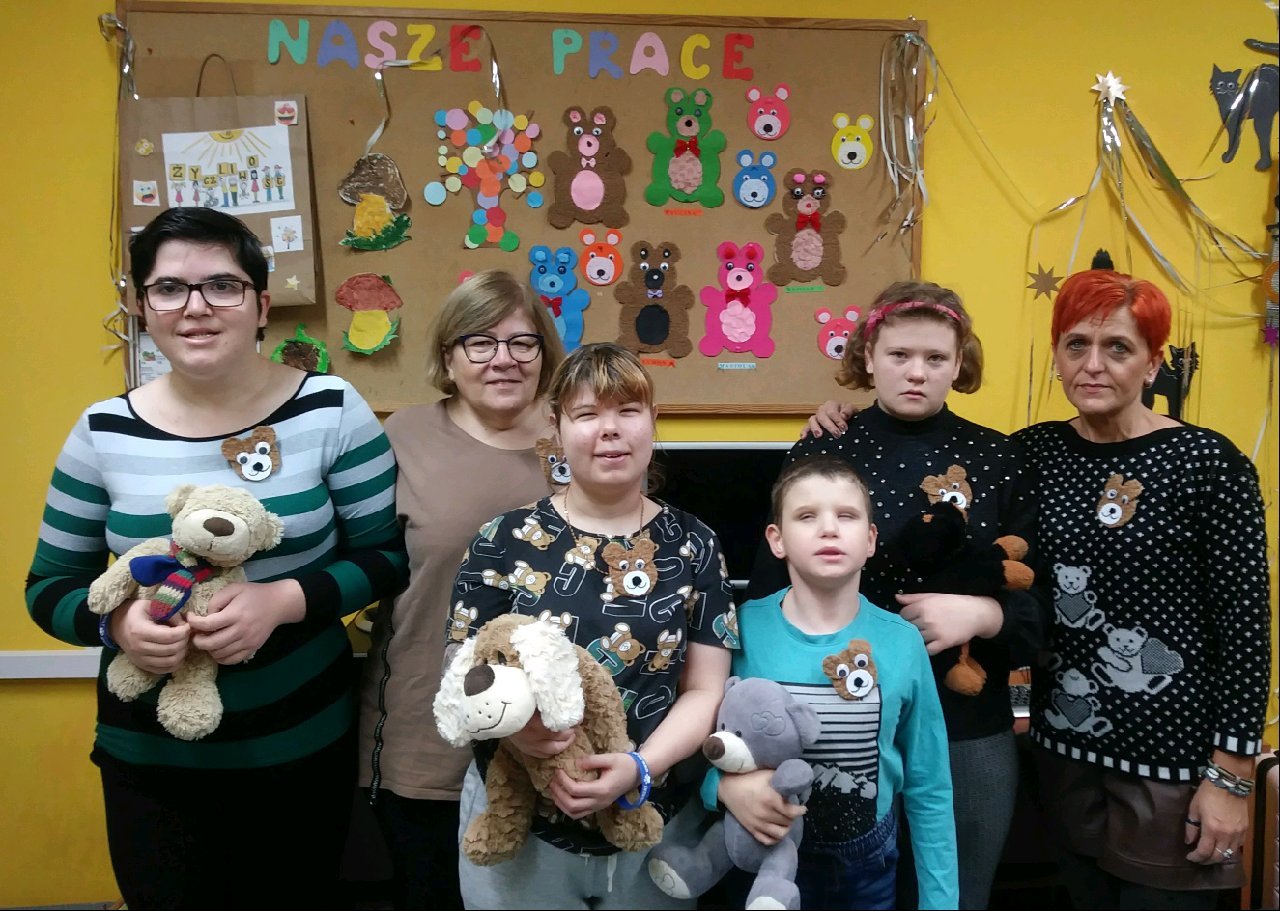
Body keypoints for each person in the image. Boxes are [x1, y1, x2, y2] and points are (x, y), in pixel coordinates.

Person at [25, 207, 408, 910]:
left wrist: (284, 600)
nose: (196, 307)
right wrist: (117, 626)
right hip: (150, 760)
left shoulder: (331, 409)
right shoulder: (101, 430)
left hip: (302, 746)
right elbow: (48, 587)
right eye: (170, 288)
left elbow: (387, 557)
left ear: (261, 304)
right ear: (142, 307)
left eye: (222, 285)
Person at [754, 280, 1048, 909]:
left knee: (955, 893)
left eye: (936, 358)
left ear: (960, 362)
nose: (917, 372)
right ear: (867, 356)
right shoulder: (828, 445)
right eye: (899, 355)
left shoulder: (998, 458)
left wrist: (985, 613)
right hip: (835, 722)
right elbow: (769, 592)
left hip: (968, 728)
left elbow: (1041, 613)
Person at [1011, 259, 1271, 909]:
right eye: (1077, 344)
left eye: (1118, 347)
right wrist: (842, 423)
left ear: (1153, 364)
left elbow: (1246, 629)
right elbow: (938, 471)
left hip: (1176, 771)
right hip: (1063, 755)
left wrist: (1231, 777)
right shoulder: (1031, 454)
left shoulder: (1207, 463)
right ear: (1057, 356)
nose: (1093, 364)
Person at [450, 342, 736, 909]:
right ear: (556, 428)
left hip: (652, 821)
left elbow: (707, 688)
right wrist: (514, 730)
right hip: (521, 823)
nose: (610, 430)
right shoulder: (501, 540)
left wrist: (639, 766)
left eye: (628, 411)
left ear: (653, 421)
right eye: (587, 414)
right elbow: (460, 671)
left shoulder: (695, 544)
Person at [356, 270, 565, 911]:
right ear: (449, 357)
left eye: (522, 342)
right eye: (479, 342)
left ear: (545, 352)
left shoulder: (580, 432)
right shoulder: (403, 438)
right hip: (428, 734)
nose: (503, 359)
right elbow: (362, 562)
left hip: (559, 733)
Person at [709, 455, 958, 908]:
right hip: (757, 864)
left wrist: (940, 902)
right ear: (777, 540)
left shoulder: (902, 642)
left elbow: (929, 784)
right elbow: (703, 748)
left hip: (866, 871)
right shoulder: (739, 630)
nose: (829, 529)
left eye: (846, 515)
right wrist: (720, 789)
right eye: (807, 516)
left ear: (870, 540)